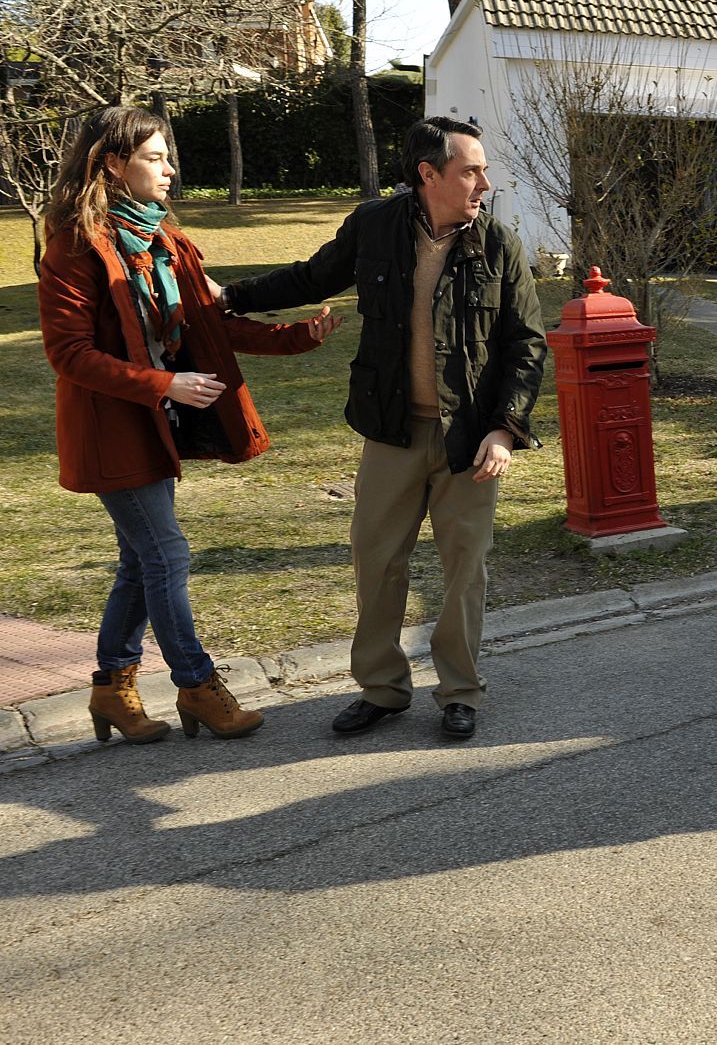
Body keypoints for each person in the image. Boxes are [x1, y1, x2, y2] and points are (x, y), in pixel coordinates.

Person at [218, 116, 547, 740]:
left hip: (469, 437)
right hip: (391, 429)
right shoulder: (374, 226)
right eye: (471, 170)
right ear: (428, 175)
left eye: (482, 170)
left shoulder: (498, 243)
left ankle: (460, 691)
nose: (484, 182)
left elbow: (525, 343)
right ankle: (383, 688)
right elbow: (310, 278)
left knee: (464, 566)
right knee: (375, 558)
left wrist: (505, 429)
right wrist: (231, 299)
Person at [37, 106, 338, 744]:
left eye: (167, 156)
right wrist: (165, 383)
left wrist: (295, 337)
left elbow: (209, 324)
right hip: (112, 430)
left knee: (140, 560)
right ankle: (197, 686)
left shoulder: (166, 241)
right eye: (155, 157)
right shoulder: (72, 247)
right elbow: (68, 355)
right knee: (166, 554)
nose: (171, 169)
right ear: (113, 166)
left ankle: (112, 689)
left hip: (158, 424)